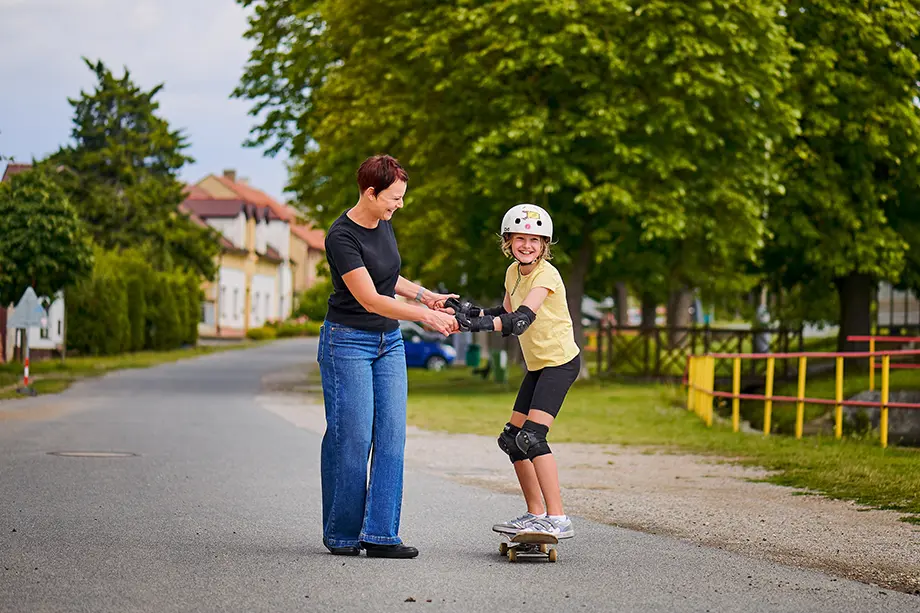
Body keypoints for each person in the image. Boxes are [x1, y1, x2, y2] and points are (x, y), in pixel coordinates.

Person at [318, 155, 458, 558]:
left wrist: (425, 294)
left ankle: (380, 535)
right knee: (353, 439)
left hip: (388, 343)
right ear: (370, 192)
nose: (399, 205)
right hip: (347, 341)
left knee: (392, 437)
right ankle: (343, 535)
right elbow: (370, 297)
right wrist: (425, 316)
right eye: (394, 198)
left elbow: (386, 277)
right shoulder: (340, 236)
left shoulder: (383, 223)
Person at [448, 204, 581, 539]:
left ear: (545, 244)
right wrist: (466, 311)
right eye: (520, 238)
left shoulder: (546, 275)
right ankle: (536, 514)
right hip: (538, 365)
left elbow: (520, 319)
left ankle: (558, 517)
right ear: (508, 241)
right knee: (512, 440)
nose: (527, 245)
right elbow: (502, 311)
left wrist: (474, 325)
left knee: (532, 437)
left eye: (535, 240)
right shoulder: (512, 272)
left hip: (560, 363)